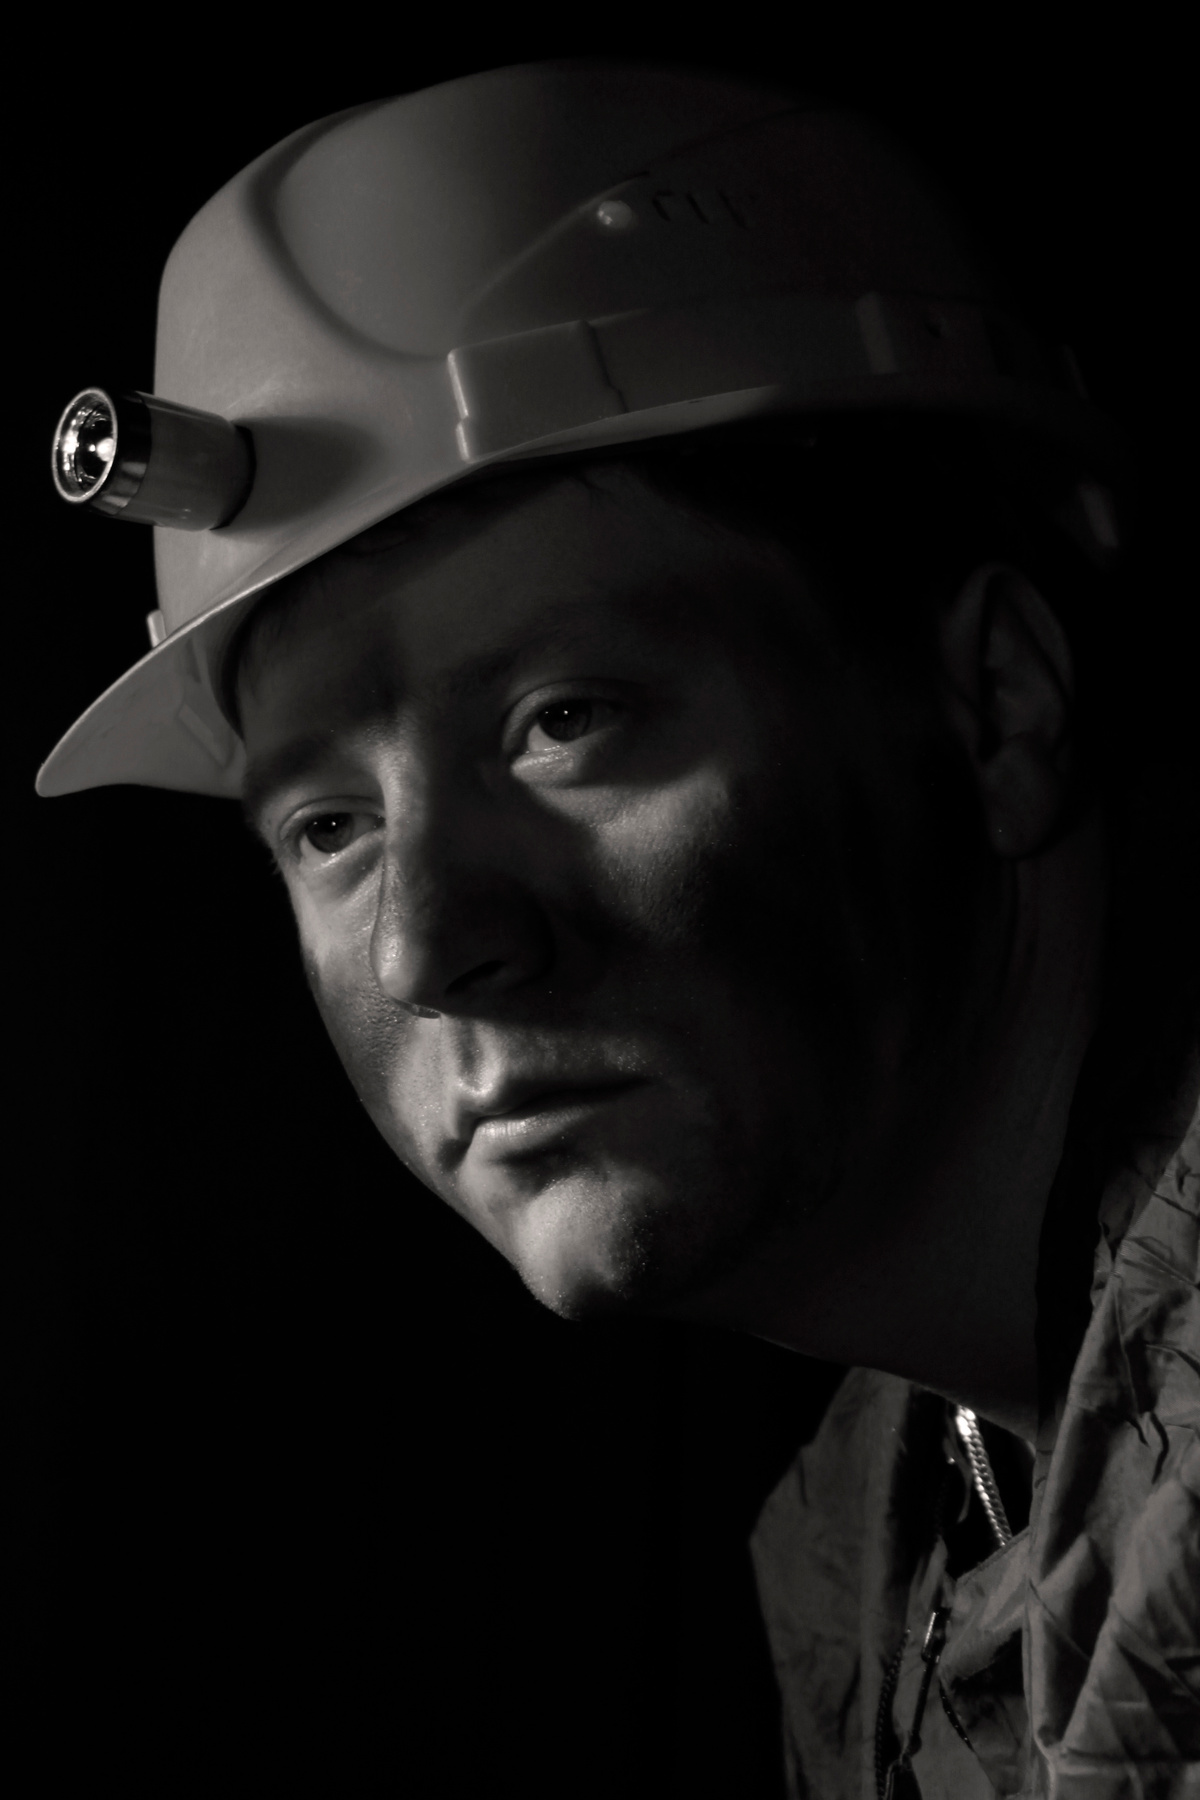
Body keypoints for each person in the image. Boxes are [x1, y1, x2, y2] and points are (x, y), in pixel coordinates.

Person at [41, 63, 1198, 1797]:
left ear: (995, 702)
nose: (429, 947)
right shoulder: (880, 1537)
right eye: (331, 827)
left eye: (564, 723)